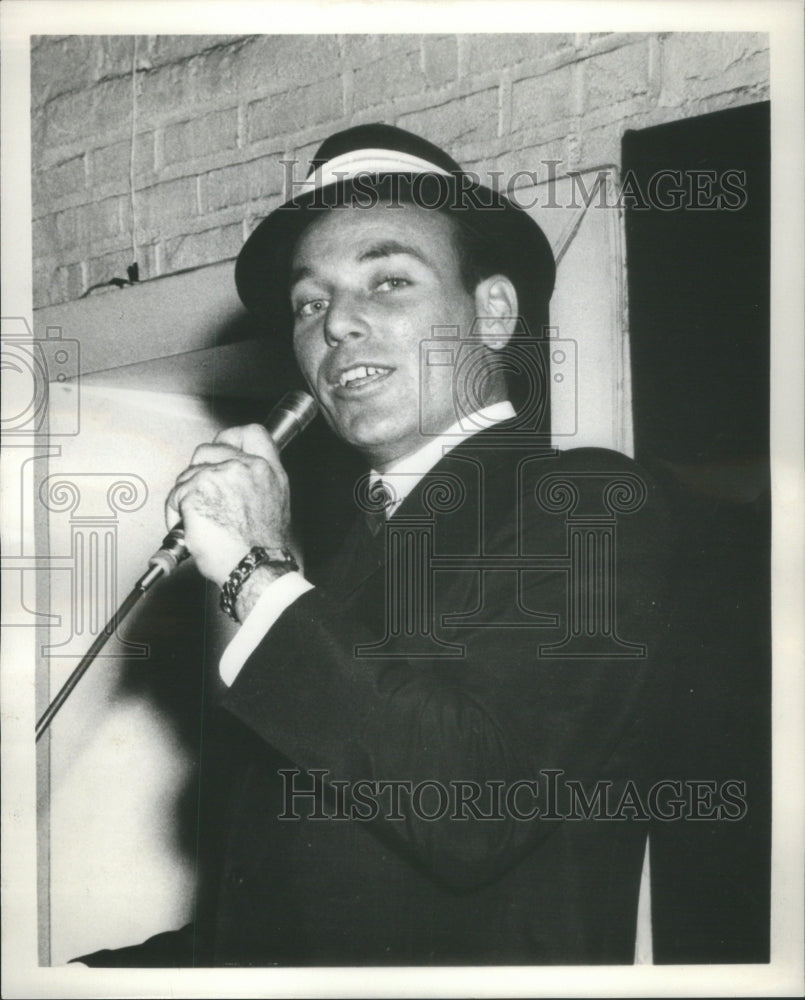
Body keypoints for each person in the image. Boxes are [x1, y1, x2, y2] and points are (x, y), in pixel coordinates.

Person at [76, 124, 671, 967]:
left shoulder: (584, 503)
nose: (337, 325)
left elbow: (474, 805)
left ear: (492, 311)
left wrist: (254, 568)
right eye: (309, 302)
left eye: (388, 281)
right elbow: (276, 913)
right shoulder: (334, 563)